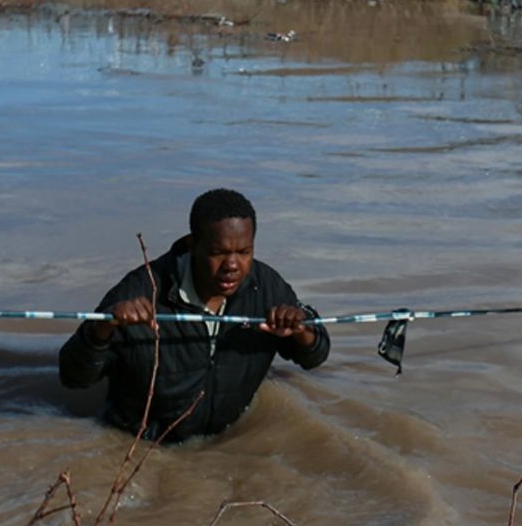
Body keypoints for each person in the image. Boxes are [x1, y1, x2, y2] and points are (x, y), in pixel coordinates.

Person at [59, 189, 329, 443]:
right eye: (218, 253)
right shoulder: (139, 291)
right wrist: (102, 328)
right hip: (140, 446)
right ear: (193, 244)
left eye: (244, 252)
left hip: (226, 444)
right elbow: (73, 377)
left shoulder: (267, 287)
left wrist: (301, 330)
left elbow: (315, 357)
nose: (232, 265)